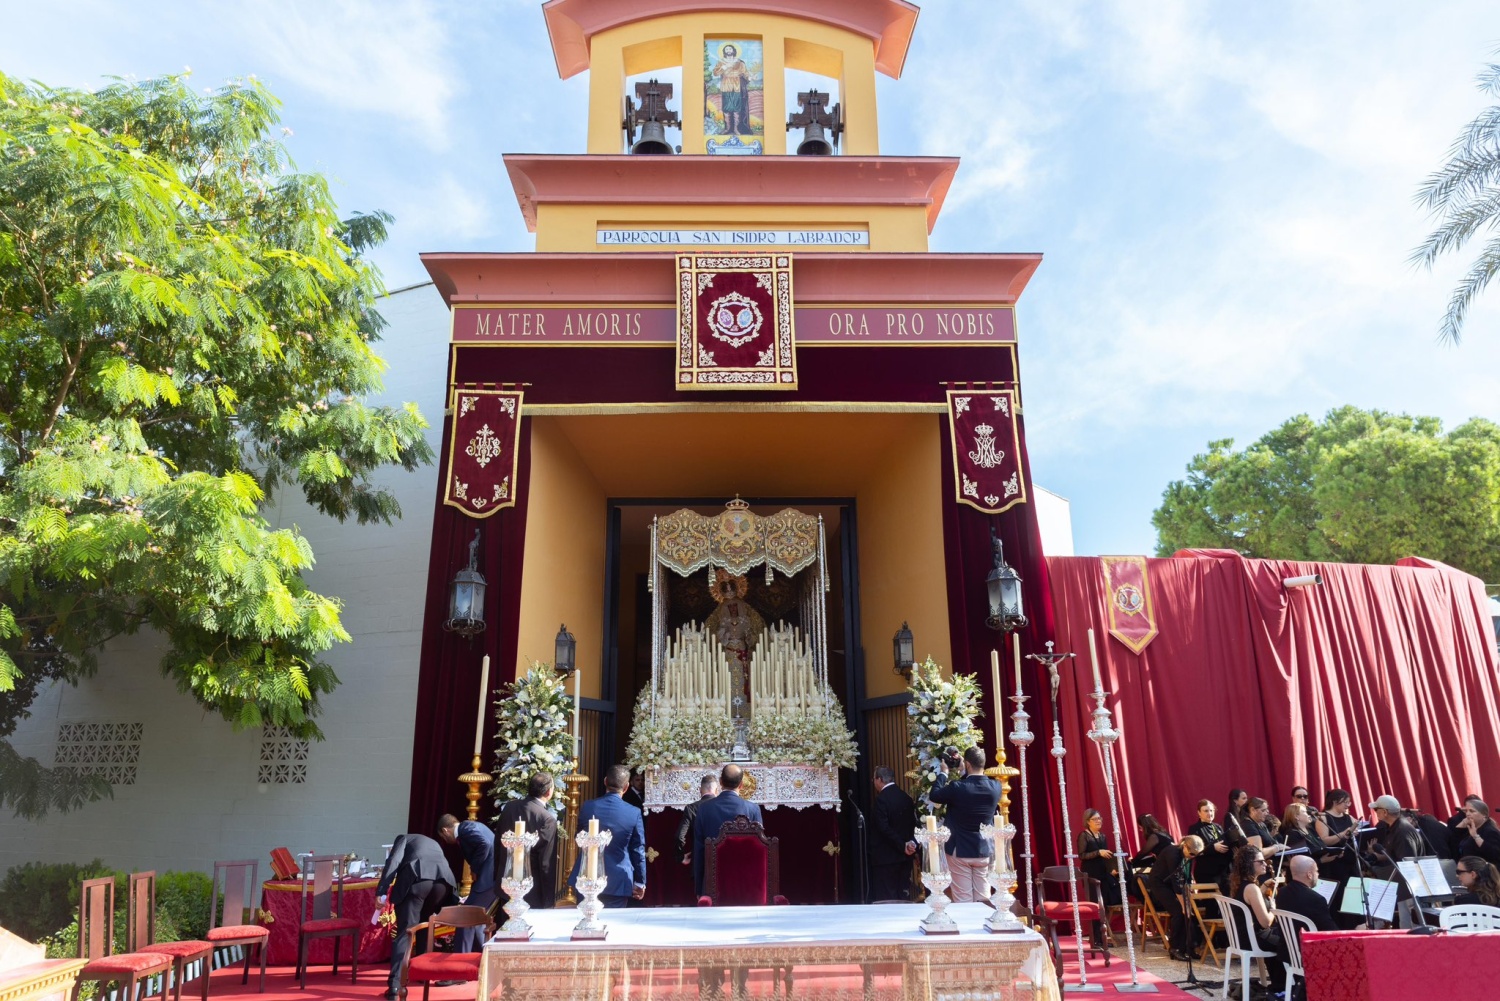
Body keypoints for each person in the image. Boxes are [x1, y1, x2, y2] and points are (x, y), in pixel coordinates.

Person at [376, 831, 457, 1001]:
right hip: (443, 883)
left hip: (419, 879)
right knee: (424, 925)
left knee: (405, 932)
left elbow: (394, 861)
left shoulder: (402, 838)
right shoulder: (432, 842)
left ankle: (394, 986)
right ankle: (421, 973)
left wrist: (381, 891)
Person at [927, 746, 1002, 903]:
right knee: (984, 899)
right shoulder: (996, 787)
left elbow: (935, 795)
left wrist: (943, 773)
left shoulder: (957, 787)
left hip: (959, 850)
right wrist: (964, 773)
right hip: (984, 849)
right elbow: (970, 788)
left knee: (964, 900)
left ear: (967, 764)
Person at [570, 764, 647, 908]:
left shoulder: (588, 806)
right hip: (617, 878)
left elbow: (578, 837)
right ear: (626, 787)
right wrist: (640, 881)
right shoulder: (633, 812)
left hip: (587, 877)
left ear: (605, 781)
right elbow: (638, 849)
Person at [692, 763, 764, 897]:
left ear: (720, 782)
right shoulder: (753, 809)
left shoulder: (704, 809)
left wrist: (700, 889)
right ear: (741, 785)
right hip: (745, 884)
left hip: (713, 883)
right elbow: (757, 852)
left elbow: (699, 850)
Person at [497, 772, 558, 910]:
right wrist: (548, 899)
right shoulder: (547, 819)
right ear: (549, 792)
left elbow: (498, 845)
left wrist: (498, 878)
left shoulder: (509, 807)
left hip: (505, 885)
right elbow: (546, 862)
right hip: (531, 890)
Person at [1227, 845, 1286, 991]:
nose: (1265, 864)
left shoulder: (1241, 884)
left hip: (1242, 936)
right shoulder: (1251, 888)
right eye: (1260, 861)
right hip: (1253, 938)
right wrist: (1273, 909)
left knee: (1280, 936)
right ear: (1249, 865)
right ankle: (1283, 985)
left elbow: (1249, 902)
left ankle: (1279, 984)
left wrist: (1264, 886)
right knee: (1289, 941)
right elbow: (1265, 923)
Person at [437, 813, 493, 952]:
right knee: (477, 919)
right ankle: (480, 957)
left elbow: (484, 844)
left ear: (445, 830)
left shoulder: (466, 828)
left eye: (443, 837)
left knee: (465, 917)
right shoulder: (471, 827)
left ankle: (460, 958)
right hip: (491, 878)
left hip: (488, 878)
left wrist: (474, 868)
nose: (445, 840)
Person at [1147, 835, 1203, 960]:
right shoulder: (1173, 854)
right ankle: (1175, 948)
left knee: (1191, 913)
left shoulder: (1188, 854)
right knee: (1179, 912)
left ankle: (1190, 947)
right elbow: (1176, 881)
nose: (1193, 857)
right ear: (1184, 846)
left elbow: (1186, 876)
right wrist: (1184, 905)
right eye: (1192, 853)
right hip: (1160, 884)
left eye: (1196, 855)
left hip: (1173, 886)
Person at [870, 766, 917, 902]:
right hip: (905, 856)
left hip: (886, 858)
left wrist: (902, 845)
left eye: (874, 779)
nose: (874, 782)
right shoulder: (906, 797)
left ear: (879, 779)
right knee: (903, 894)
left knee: (887, 898)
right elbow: (913, 824)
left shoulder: (881, 800)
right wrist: (910, 844)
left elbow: (883, 828)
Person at [1277, 855, 1338, 932]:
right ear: (1309, 875)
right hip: (1309, 942)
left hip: (1287, 942)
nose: (1318, 874)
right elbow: (1331, 931)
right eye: (1316, 871)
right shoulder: (1317, 899)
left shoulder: (1281, 893)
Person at [1078, 808, 1119, 914]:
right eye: (1095, 819)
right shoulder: (1084, 836)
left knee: (1104, 902)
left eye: (1099, 818)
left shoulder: (1103, 836)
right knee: (1094, 902)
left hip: (1103, 873)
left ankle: (1103, 927)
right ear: (1088, 821)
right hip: (1091, 873)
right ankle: (1096, 930)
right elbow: (1082, 855)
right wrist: (1098, 852)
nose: (1098, 821)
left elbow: (1106, 856)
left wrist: (1111, 869)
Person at [1189, 799, 1233, 891]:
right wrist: (1213, 848)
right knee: (1212, 903)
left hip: (1224, 873)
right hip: (1207, 873)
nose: (1209, 813)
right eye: (1206, 811)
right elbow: (1194, 851)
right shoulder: (1194, 829)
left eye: (1211, 810)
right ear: (1199, 813)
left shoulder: (1218, 827)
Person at [677, 774, 720, 866]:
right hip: (720, 858)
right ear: (717, 791)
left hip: (699, 858)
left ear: (700, 790)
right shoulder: (722, 806)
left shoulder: (691, 808)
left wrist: (680, 856)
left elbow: (680, 836)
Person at [1367, 795, 1423, 864]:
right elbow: (1394, 855)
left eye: (1376, 809)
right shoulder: (1395, 827)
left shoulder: (1402, 832)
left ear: (1385, 812)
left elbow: (1407, 864)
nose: (1375, 812)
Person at [710, 43, 751, 135]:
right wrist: (724, 67)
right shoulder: (721, 62)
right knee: (726, 108)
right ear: (724, 51)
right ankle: (728, 128)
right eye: (727, 49)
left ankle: (736, 129)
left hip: (737, 86)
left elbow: (746, 73)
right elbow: (715, 73)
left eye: (730, 49)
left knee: (737, 108)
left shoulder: (740, 63)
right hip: (726, 86)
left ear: (733, 51)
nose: (728, 51)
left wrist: (750, 78)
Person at [1452, 796, 1500, 867]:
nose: (1467, 814)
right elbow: (1454, 842)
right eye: (1466, 811)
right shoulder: (1473, 828)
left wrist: (1476, 837)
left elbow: (1494, 855)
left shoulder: (1490, 831)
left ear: (1484, 815)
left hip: (1485, 874)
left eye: (1472, 811)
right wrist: (1462, 823)